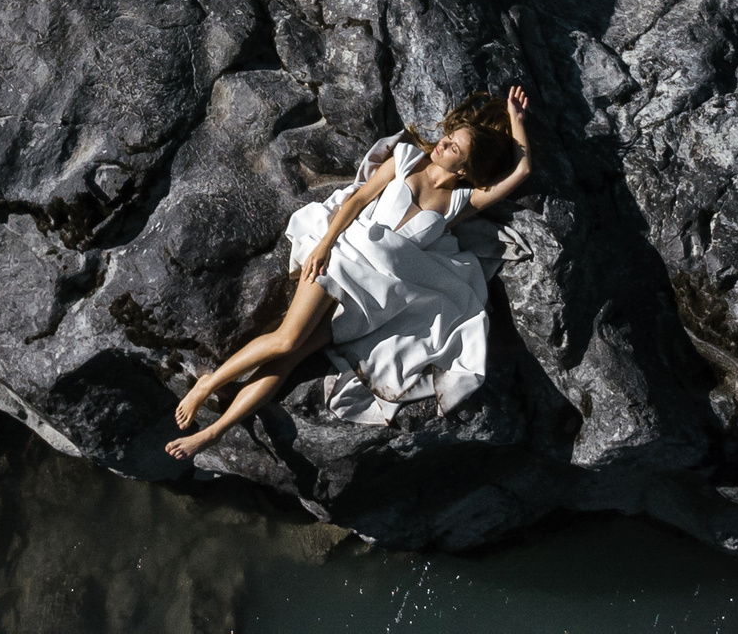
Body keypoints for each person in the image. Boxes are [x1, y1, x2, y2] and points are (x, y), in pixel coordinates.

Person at [166, 85, 537, 461]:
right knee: (286, 341)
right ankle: (207, 385)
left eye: (454, 148)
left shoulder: (460, 203)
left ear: (465, 169)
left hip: (372, 298)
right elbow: (357, 199)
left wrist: (515, 121)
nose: (442, 145)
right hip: (339, 260)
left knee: (290, 359)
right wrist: (325, 243)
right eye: (447, 138)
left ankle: (213, 432)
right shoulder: (407, 159)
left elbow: (522, 169)